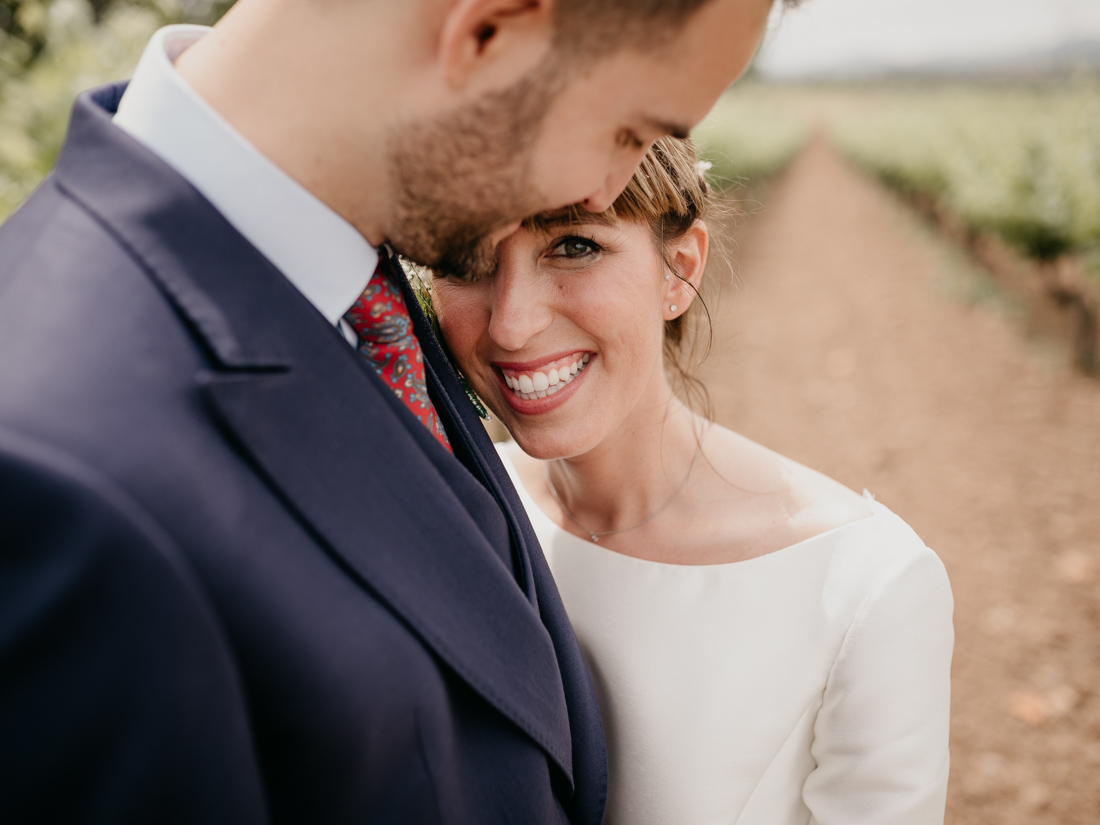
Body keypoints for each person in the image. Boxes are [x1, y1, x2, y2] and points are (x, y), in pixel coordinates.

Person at [0, 0, 783, 822]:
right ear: (489, 31)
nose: (607, 186)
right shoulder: (52, 476)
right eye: (626, 130)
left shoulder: (361, 263)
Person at [432, 136, 955, 824]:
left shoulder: (864, 588)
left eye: (574, 246)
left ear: (679, 271)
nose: (511, 323)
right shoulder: (448, 508)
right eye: (465, 259)